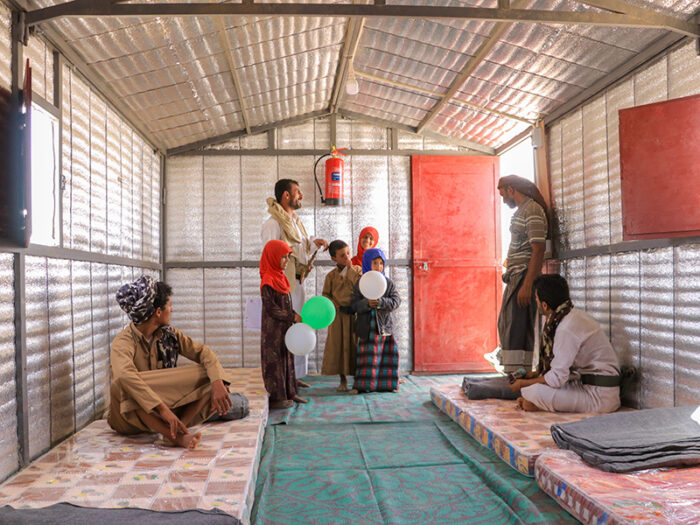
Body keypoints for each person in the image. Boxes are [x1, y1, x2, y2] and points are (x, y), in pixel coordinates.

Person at [108, 275, 234, 449]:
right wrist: (162, 409)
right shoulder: (123, 342)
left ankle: (175, 431)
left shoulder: (170, 334)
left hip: (165, 414)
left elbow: (204, 352)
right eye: (169, 306)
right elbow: (124, 376)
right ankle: (176, 436)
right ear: (158, 312)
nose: (172, 309)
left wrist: (217, 382)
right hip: (129, 418)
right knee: (124, 384)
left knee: (213, 376)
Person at [509, 274, 621, 413]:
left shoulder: (566, 328)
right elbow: (564, 371)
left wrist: (522, 384)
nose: (536, 302)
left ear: (544, 305)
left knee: (531, 391)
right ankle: (533, 403)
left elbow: (557, 378)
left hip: (599, 397)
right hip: (591, 387)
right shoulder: (572, 316)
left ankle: (533, 403)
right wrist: (534, 375)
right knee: (534, 390)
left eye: (536, 299)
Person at [261, 179, 328, 386]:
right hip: (282, 286)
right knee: (285, 329)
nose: (302, 196)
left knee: (300, 325)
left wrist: (313, 243)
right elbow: (272, 255)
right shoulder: (272, 224)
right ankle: (284, 380)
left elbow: (300, 248)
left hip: (298, 283)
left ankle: (294, 376)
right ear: (286, 196)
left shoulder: (296, 222)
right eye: (298, 192)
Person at [490, 174, 548, 374]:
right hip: (516, 275)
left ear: (511, 189)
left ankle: (518, 376)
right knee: (508, 325)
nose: (503, 199)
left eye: (503, 194)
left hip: (524, 276)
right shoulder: (522, 211)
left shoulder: (532, 210)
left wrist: (527, 285)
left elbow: (538, 249)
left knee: (518, 329)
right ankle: (514, 374)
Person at [260, 239, 307, 409]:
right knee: (275, 362)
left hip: (284, 328)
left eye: (288, 257)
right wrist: (292, 316)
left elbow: (285, 304)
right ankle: (277, 398)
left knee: (286, 358)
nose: (287, 261)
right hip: (273, 331)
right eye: (284, 257)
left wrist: (292, 316)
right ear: (273, 257)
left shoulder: (280, 278)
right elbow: (271, 309)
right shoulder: (267, 280)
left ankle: (290, 392)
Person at [350, 248, 401, 393]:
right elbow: (354, 304)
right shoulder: (361, 283)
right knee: (367, 358)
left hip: (384, 327)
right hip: (367, 328)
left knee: (387, 356)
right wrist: (366, 304)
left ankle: (389, 385)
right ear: (367, 263)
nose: (378, 267)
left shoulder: (388, 283)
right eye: (374, 263)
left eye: (381, 263)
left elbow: (396, 301)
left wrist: (381, 302)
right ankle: (362, 386)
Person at [321, 240, 362, 391]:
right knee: (338, 346)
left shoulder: (357, 270)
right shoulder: (330, 276)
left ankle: (358, 378)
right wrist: (332, 302)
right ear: (334, 259)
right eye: (342, 255)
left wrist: (350, 270)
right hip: (337, 316)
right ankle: (342, 379)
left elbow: (360, 287)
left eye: (348, 253)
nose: (347, 257)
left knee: (354, 345)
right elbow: (325, 294)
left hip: (353, 314)